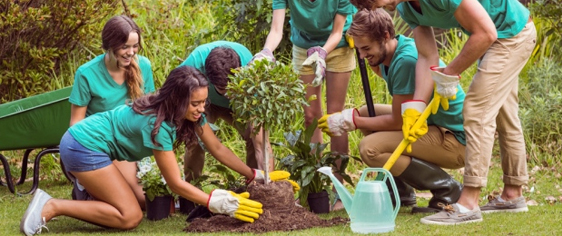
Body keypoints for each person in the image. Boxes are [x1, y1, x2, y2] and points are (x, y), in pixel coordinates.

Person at [20, 66, 274, 235]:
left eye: (203, 102)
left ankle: (87, 191)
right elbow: (175, 183)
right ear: (178, 99)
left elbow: (216, 146)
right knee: (130, 217)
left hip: (107, 149)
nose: (201, 109)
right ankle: (52, 206)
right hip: (83, 145)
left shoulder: (188, 114)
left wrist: (254, 174)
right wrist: (215, 202)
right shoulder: (159, 125)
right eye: (195, 103)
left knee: (144, 201)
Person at [350, 0, 536, 225]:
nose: (379, 8)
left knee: (476, 111)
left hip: (511, 33)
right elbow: (428, 56)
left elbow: (486, 33)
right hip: (496, 34)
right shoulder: (405, 7)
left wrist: (450, 73)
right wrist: (416, 105)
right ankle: (512, 195)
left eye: (375, 2)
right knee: (505, 115)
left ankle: (467, 203)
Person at [318, 8, 465, 213]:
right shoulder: (391, 51)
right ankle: (401, 192)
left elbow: (398, 121)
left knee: (369, 148)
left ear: (386, 36)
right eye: (358, 49)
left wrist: (349, 121)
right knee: (366, 112)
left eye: (366, 48)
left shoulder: (405, 61)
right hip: (431, 124)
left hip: (455, 138)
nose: (361, 55)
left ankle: (448, 189)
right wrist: (364, 47)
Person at [254, 0, 357, 211]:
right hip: (303, 47)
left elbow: (337, 32)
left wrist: (322, 52)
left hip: (337, 46)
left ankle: (338, 190)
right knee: (311, 116)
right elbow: (276, 30)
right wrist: (266, 51)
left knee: (335, 116)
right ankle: (316, 186)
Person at [68, 15, 155, 207]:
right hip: (102, 143)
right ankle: (86, 184)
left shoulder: (144, 66)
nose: (131, 52)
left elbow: (149, 113)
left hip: (132, 142)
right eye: (125, 47)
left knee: (153, 198)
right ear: (109, 45)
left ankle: (98, 189)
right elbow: (76, 123)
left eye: (135, 46)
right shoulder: (86, 73)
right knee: (141, 200)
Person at [177, 41, 274, 188]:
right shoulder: (195, 62)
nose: (228, 93)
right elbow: (173, 92)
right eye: (224, 89)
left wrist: (269, 180)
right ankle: (192, 188)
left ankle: (257, 185)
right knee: (195, 139)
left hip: (240, 102)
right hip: (205, 103)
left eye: (232, 86)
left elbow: (261, 143)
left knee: (253, 136)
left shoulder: (251, 69)